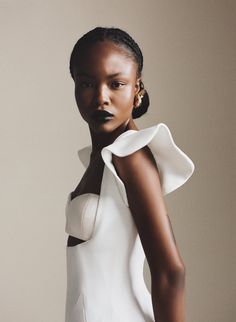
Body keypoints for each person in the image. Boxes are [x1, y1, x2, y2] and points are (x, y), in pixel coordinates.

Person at [64, 27, 195, 322]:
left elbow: (171, 272)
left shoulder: (132, 157)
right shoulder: (102, 158)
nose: (101, 97)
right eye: (86, 83)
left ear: (137, 89)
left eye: (116, 84)